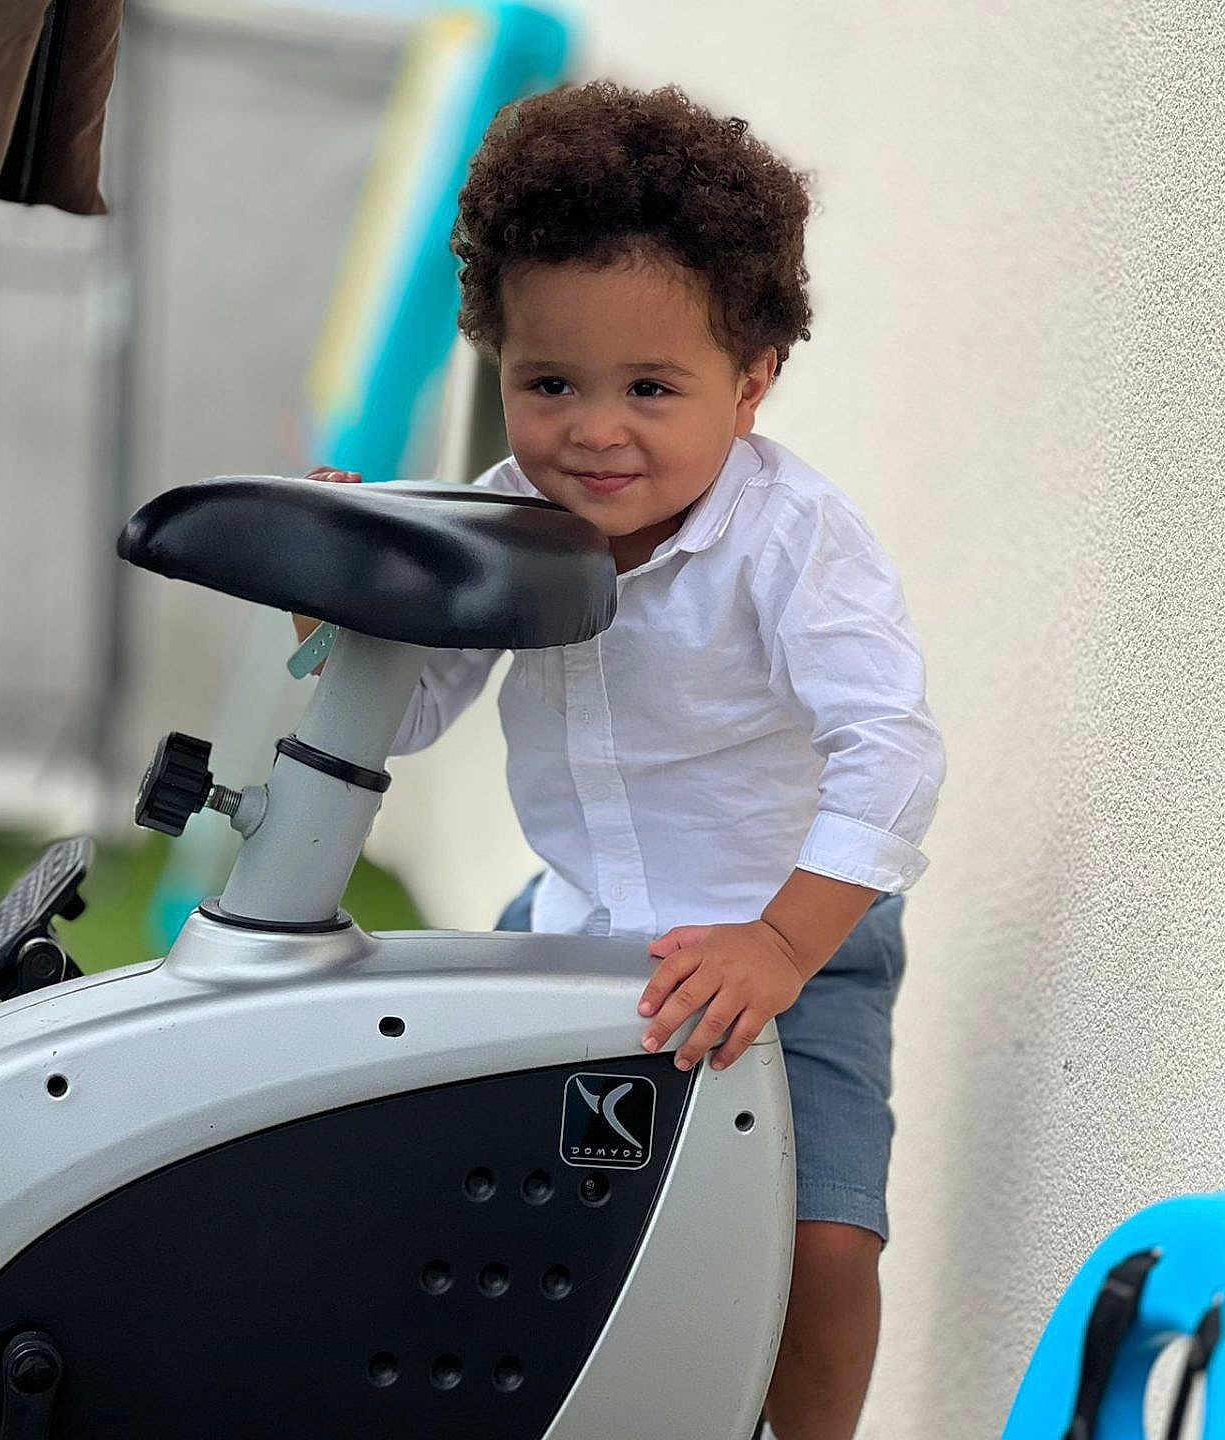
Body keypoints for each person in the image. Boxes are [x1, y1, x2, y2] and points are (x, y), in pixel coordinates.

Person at [295, 81, 945, 1440]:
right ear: (499, 369)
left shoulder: (791, 541)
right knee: (500, 1212)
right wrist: (354, 607)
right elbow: (412, 713)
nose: (594, 431)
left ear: (753, 379)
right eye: (550, 385)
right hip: (576, 933)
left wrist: (781, 943)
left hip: (791, 950)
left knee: (821, 1243)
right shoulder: (503, 520)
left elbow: (890, 751)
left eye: (650, 388)